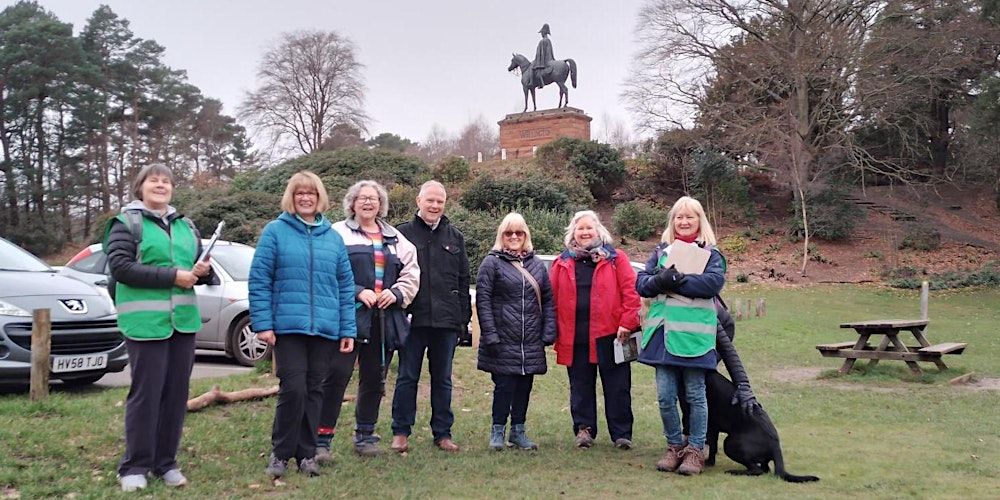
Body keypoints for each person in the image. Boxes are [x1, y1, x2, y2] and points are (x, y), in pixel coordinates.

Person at [106, 163, 215, 492]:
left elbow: (203, 273)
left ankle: (165, 462)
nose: (160, 185)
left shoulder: (187, 226)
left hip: (182, 323)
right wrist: (173, 276)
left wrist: (203, 271)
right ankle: (134, 465)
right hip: (144, 324)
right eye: (153, 180)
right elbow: (122, 267)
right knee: (147, 395)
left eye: (166, 181)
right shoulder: (126, 223)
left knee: (175, 395)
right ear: (140, 187)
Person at [248, 171, 357, 479]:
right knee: (293, 389)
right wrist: (263, 324)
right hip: (288, 328)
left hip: (324, 329)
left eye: (311, 193)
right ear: (291, 198)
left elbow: (345, 286)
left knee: (314, 391)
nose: (306, 198)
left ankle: (307, 454)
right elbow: (259, 280)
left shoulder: (333, 238)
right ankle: (281, 453)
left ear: (319, 197)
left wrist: (347, 329)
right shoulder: (275, 232)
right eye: (299, 193)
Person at [320, 180, 420, 458]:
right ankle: (321, 439)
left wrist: (396, 293)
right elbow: (326, 273)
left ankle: (365, 436)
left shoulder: (397, 239)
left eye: (373, 199)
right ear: (352, 203)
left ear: (381, 205)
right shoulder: (336, 234)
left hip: (383, 320)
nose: (368, 203)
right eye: (362, 198)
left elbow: (411, 274)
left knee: (375, 379)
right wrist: (357, 291)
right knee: (336, 376)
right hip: (347, 318)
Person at [635, 196, 723, 476]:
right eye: (679, 217)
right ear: (672, 221)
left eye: (690, 217)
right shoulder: (661, 251)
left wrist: (675, 280)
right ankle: (674, 446)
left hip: (694, 339)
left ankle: (696, 449)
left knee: (696, 395)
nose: (684, 222)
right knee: (665, 396)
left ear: (700, 221)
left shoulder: (712, 253)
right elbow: (642, 284)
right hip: (662, 337)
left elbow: (711, 283)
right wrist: (661, 280)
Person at [390, 181, 470, 453]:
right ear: (418, 201)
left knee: (443, 379)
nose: (435, 206)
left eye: (440, 201)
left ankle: (443, 433)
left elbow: (463, 278)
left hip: (446, 322)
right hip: (412, 319)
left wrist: (464, 320)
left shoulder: (455, 236)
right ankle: (401, 431)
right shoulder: (401, 234)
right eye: (430, 201)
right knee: (407, 376)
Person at [549, 210, 641, 450]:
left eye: (589, 228)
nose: (585, 232)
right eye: (580, 228)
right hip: (575, 336)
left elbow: (631, 293)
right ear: (573, 233)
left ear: (599, 231)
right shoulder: (562, 262)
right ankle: (584, 429)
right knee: (580, 387)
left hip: (614, 335)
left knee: (618, 387)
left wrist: (627, 323)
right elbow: (553, 300)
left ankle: (621, 434)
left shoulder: (616, 258)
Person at [476, 212, 556, 451]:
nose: (513, 237)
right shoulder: (491, 263)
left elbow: (549, 300)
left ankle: (518, 431)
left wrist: (548, 331)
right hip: (502, 338)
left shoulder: (537, 265)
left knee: (524, 387)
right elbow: (483, 300)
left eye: (518, 232)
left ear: (525, 235)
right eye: (508, 233)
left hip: (530, 339)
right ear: (502, 235)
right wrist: (490, 334)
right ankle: (497, 431)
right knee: (504, 386)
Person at [532, 23, 555, 89]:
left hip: (543, 61)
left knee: (534, 70)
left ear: (544, 32)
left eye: (542, 32)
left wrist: (537, 61)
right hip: (549, 59)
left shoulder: (542, 41)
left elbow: (540, 54)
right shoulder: (548, 40)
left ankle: (538, 83)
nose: (541, 34)